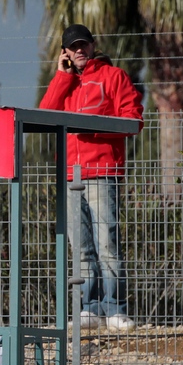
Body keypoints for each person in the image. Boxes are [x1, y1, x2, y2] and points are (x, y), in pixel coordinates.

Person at [39, 23, 144, 331]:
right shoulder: (64, 82)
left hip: (103, 172)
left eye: (84, 44)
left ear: (94, 45)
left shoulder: (114, 77)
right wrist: (62, 76)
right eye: (73, 47)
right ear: (65, 53)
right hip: (70, 174)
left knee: (107, 242)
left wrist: (90, 127)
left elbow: (133, 121)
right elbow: (45, 114)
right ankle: (89, 307)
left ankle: (115, 309)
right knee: (81, 246)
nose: (79, 50)